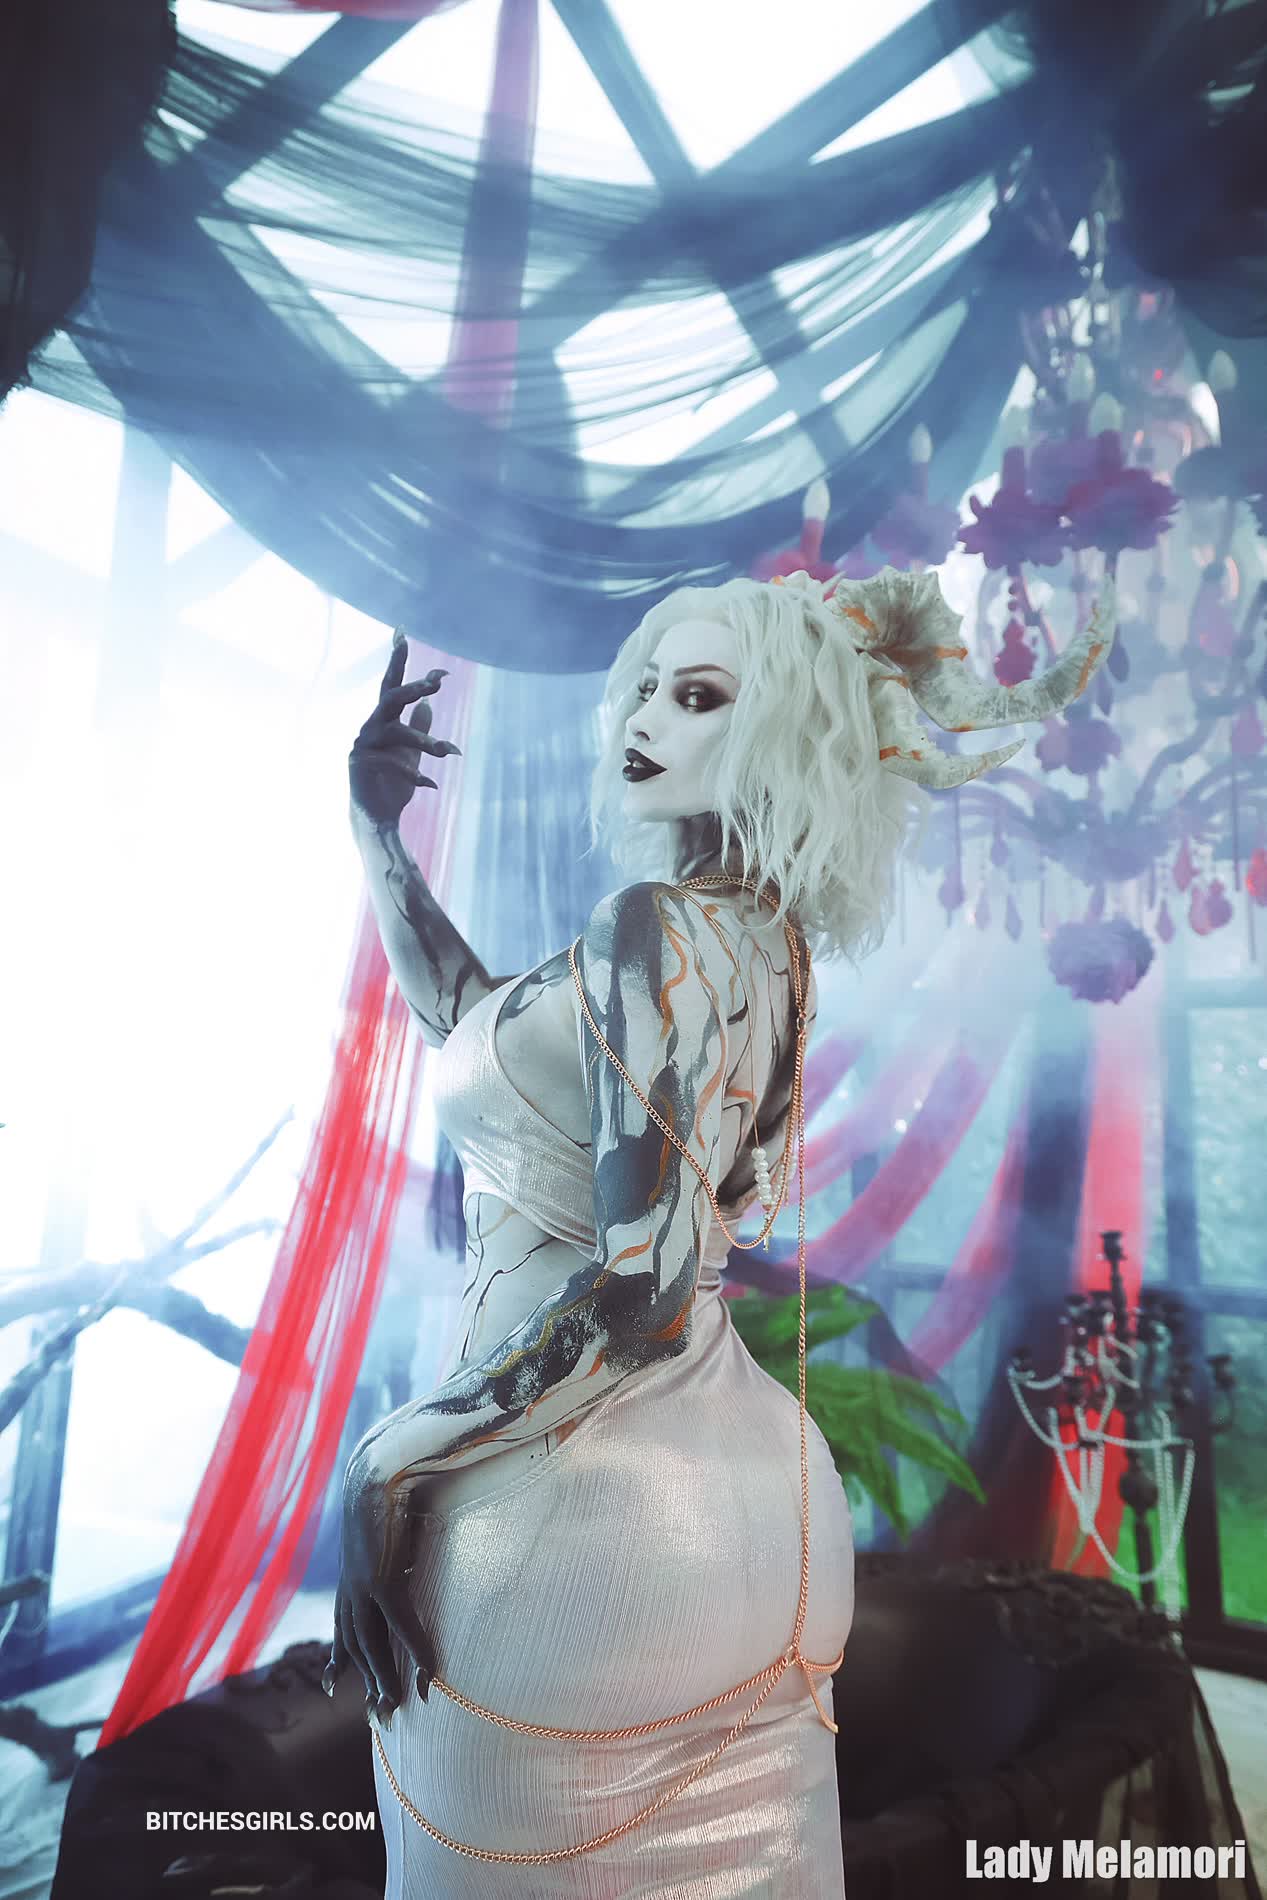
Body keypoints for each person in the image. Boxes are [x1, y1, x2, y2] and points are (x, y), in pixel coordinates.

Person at [324, 562, 1116, 1896]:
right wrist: (379, 839)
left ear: (785, 733)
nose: (647, 716)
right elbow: (476, 1030)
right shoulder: (764, 944)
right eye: (646, 686)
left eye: (699, 697)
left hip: (577, 1511)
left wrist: (384, 1464)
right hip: (758, 1516)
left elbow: (643, 1289)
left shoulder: (654, 929)